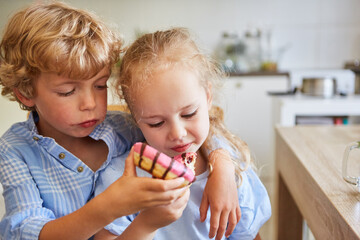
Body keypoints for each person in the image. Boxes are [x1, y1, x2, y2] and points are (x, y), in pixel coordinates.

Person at [0, 2, 240, 240]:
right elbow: (25, 231)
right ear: (26, 92)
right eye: (67, 92)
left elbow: (193, 135)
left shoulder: (121, 126)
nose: (90, 103)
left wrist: (223, 167)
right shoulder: (14, 148)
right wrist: (109, 206)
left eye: (100, 85)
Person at [94, 28, 271, 240]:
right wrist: (147, 223)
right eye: (157, 123)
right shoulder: (119, 179)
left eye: (189, 114)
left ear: (208, 96)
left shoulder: (234, 174)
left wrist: (224, 166)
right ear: (136, 119)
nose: (178, 134)